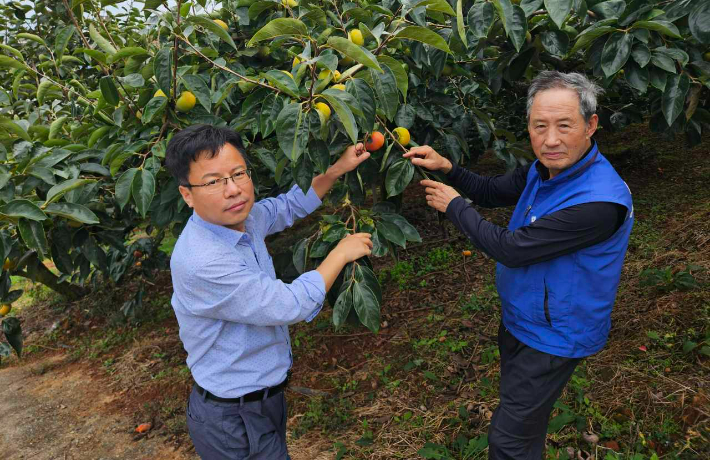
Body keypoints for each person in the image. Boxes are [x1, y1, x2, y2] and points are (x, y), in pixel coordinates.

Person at [404, 71, 634, 459]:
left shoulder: (598, 203)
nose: (551, 139)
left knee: (508, 440)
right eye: (539, 126)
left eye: (565, 125)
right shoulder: (545, 169)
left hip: (555, 335)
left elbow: (511, 248)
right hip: (523, 319)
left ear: (591, 125)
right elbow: (493, 191)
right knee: (526, 424)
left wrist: (454, 205)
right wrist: (448, 168)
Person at [165, 124, 373, 460]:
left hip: (260, 402)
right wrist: (340, 253)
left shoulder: (243, 220)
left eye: (238, 174)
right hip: (233, 418)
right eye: (214, 181)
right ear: (187, 194)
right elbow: (288, 305)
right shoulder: (203, 261)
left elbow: (288, 205)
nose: (233, 190)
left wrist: (337, 168)